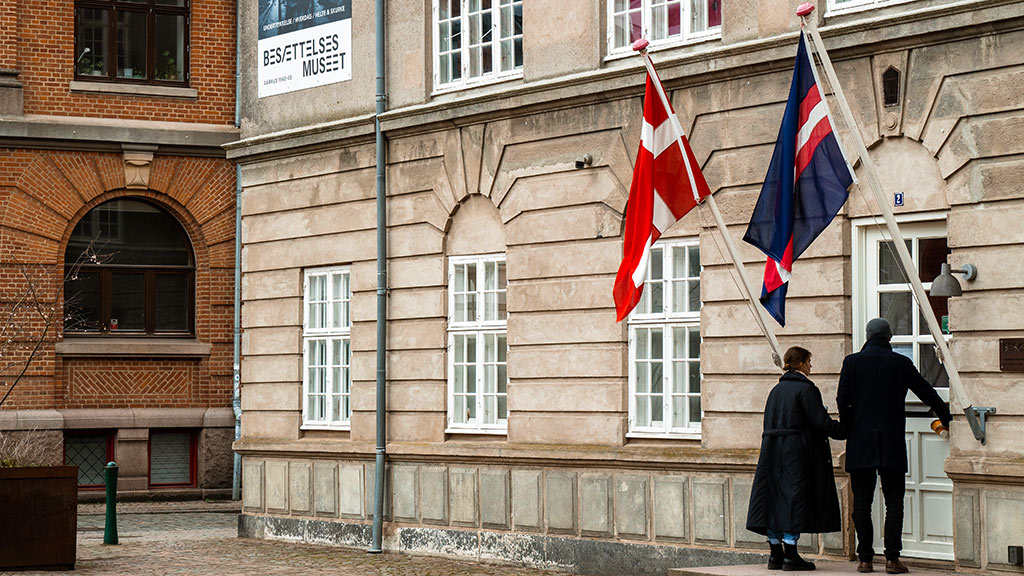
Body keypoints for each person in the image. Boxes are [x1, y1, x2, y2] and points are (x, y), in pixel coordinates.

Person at [837, 318, 952, 574]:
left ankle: (865, 559)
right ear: (889, 337)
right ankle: (892, 559)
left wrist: (848, 426)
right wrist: (946, 416)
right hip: (891, 441)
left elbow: (842, 399)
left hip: (861, 442)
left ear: (868, 336)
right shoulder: (900, 363)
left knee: (862, 503)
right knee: (894, 502)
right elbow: (926, 391)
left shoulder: (851, 362)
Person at [747, 346, 846, 572]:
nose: (811, 366)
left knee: (774, 500)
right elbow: (820, 422)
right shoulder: (806, 389)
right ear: (800, 363)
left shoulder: (776, 390)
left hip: (772, 452)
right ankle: (791, 555)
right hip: (796, 454)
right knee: (793, 500)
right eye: (809, 361)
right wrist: (845, 430)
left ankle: (775, 554)